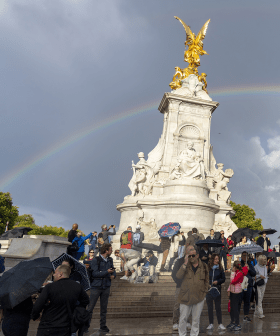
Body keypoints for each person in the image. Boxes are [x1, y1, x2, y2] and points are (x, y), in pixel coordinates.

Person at [31, 264, 89, 336]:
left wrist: (35, 316)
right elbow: (86, 301)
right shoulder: (77, 286)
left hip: (48, 326)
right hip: (66, 326)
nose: (53, 275)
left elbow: (38, 304)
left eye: (55, 273)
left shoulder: (50, 287)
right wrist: (75, 309)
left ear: (60, 274)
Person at [176, 248, 209, 336]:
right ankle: (182, 334)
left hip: (199, 296)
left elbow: (206, 280)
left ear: (197, 256)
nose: (191, 257)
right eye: (189, 256)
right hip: (185, 296)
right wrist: (185, 263)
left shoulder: (204, 266)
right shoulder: (185, 265)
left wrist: (205, 291)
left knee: (196, 319)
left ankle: (194, 334)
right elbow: (178, 276)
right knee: (183, 318)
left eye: (193, 255)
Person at [86, 243, 116, 334]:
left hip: (106, 286)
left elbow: (113, 270)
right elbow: (95, 274)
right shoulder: (96, 260)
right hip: (96, 286)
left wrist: (113, 275)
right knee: (90, 308)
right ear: (106, 251)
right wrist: (106, 272)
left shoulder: (110, 260)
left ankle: (103, 326)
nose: (111, 251)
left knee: (104, 308)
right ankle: (85, 326)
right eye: (110, 249)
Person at [171, 245, 195, 332]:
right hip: (180, 286)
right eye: (189, 251)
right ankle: (175, 322)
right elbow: (174, 274)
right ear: (186, 252)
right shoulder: (179, 261)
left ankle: (188, 321)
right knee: (177, 305)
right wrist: (179, 282)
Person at [206, 254, 226, 331]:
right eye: (215, 259)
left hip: (217, 290)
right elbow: (205, 277)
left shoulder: (220, 269)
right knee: (210, 307)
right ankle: (211, 323)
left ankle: (220, 323)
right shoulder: (208, 268)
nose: (217, 260)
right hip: (209, 290)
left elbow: (223, 279)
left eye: (218, 259)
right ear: (212, 260)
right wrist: (208, 283)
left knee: (218, 307)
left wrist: (217, 281)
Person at [226, 261, 248, 331]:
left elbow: (233, 281)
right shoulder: (236, 273)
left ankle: (238, 324)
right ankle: (233, 322)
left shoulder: (240, 273)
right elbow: (231, 284)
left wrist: (232, 273)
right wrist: (228, 290)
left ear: (235, 267)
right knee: (232, 308)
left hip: (237, 293)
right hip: (232, 292)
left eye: (233, 267)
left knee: (235, 309)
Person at [238, 251, 256, 323]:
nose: (245, 257)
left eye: (247, 256)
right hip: (241, 285)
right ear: (242, 256)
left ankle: (246, 315)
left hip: (248, 285)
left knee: (247, 301)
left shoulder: (250, 264)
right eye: (244, 255)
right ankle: (237, 316)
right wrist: (243, 268)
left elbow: (253, 273)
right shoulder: (239, 264)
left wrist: (249, 269)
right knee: (239, 301)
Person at [254, 254, 268, 319]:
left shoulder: (265, 267)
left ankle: (256, 312)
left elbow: (266, 275)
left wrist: (265, 280)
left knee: (261, 298)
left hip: (263, 284)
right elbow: (253, 276)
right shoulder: (256, 267)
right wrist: (259, 276)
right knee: (259, 298)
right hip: (258, 284)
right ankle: (260, 313)